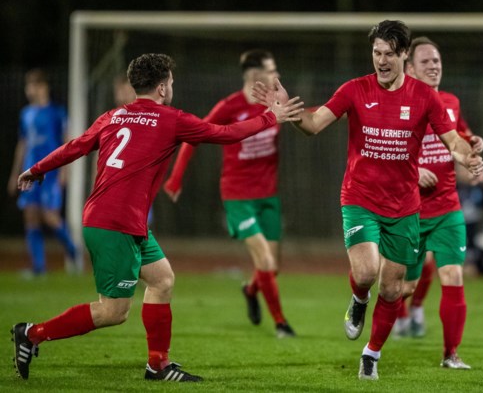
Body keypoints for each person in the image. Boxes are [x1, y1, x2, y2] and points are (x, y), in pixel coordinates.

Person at [10, 53, 303, 382]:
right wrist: (271, 117)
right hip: (114, 224)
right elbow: (226, 133)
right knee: (113, 311)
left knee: (162, 280)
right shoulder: (170, 118)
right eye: (172, 82)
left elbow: (75, 146)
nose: (172, 87)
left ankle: (158, 365)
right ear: (163, 88)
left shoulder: (113, 116)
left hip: (119, 219)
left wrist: (36, 169)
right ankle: (32, 333)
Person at [253, 20, 483, 380]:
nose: (381, 60)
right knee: (364, 272)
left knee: (393, 289)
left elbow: (453, 140)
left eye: (389, 54)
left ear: (403, 55)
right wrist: (290, 113)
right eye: (376, 53)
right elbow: (314, 125)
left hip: (405, 207)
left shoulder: (425, 97)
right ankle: (359, 299)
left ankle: (371, 354)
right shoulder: (355, 90)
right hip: (360, 198)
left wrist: (466, 154)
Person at [163, 49, 296, 338]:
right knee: (265, 261)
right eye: (271, 69)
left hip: (268, 196)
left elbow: (305, 115)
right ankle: (281, 323)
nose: (277, 75)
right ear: (253, 75)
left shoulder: (275, 102)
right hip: (238, 197)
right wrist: (175, 177)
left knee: (272, 269)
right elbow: (194, 137)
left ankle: (250, 289)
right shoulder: (230, 106)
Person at [393, 36, 483, 370]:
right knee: (402, 285)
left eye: (437, 61)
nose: (434, 67)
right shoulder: (398, 103)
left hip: (447, 207)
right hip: (409, 210)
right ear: (410, 68)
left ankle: (451, 354)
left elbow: (459, 137)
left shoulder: (450, 101)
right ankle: (365, 300)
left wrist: (472, 145)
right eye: (426, 62)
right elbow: (381, 150)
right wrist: (413, 169)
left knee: (452, 274)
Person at [7, 68, 78, 277]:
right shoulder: (26, 114)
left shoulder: (57, 112)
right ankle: (39, 268)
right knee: (30, 216)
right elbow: (22, 144)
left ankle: (74, 252)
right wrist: (15, 174)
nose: (30, 90)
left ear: (44, 87)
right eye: (28, 86)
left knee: (50, 216)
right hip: (30, 171)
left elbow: (67, 143)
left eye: (34, 86)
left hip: (51, 173)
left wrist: (65, 172)